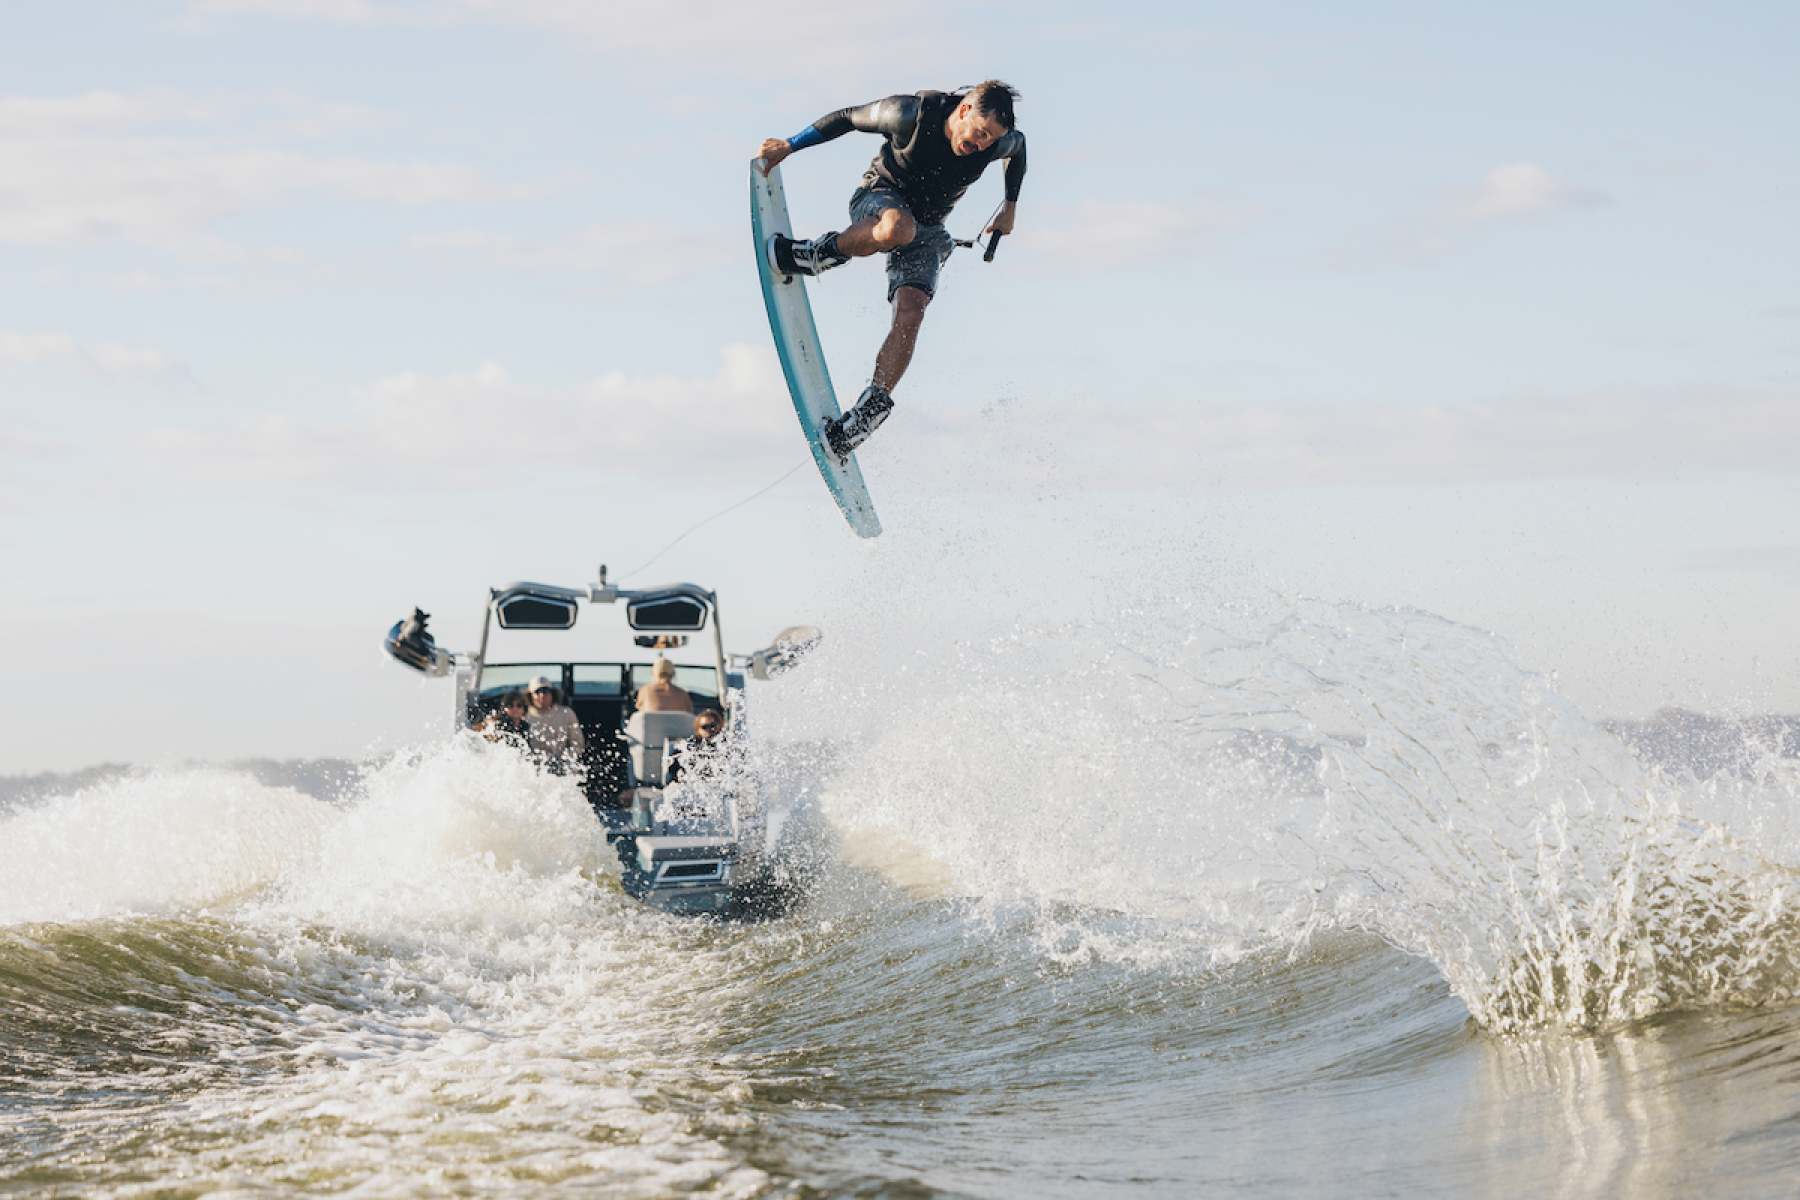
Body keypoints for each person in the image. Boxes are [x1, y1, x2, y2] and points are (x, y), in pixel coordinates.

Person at [758, 80, 1025, 461]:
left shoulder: (997, 141)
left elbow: (1020, 149)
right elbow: (847, 118)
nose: (981, 145)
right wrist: (790, 144)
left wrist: (1009, 208)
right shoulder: (912, 116)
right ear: (964, 110)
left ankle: (865, 415)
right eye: (980, 134)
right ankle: (814, 255)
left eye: (990, 141)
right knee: (899, 227)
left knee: (912, 312)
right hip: (879, 198)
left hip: (929, 229)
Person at [523, 675, 585, 774]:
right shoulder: (523, 716)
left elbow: (577, 743)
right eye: (537, 692)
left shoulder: (566, 713)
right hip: (532, 768)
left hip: (562, 765)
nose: (542, 695)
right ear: (530, 695)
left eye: (546, 691)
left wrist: (566, 758)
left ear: (552, 694)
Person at [663, 709, 725, 785]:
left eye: (712, 726)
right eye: (705, 727)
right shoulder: (690, 746)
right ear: (698, 729)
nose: (709, 729)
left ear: (720, 727)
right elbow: (673, 769)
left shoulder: (725, 745)